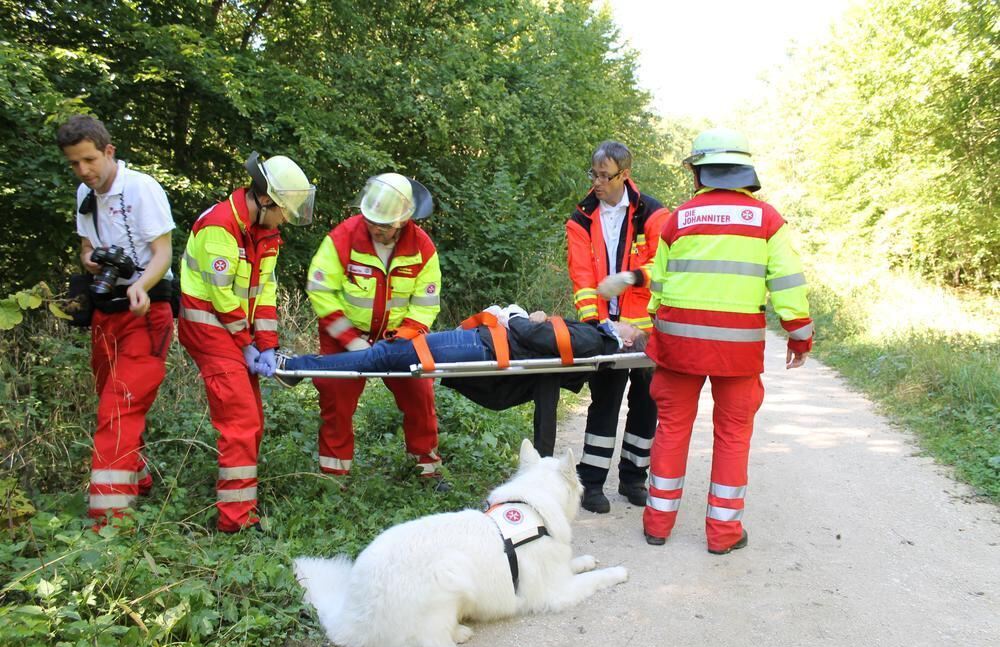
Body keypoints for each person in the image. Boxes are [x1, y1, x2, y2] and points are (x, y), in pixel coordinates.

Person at [643, 127, 813, 554]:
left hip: (678, 346)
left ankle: (657, 526)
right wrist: (799, 336)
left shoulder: (677, 219)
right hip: (737, 351)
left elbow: (658, 286)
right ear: (744, 172)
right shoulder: (768, 220)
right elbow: (789, 283)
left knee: (672, 428)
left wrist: (653, 330)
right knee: (734, 434)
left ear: (699, 173)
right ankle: (723, 536)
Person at [275, 306, 647, 457]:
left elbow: (543, 340)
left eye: (630, 324)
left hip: (481, 346)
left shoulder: (597, 341)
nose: (623, 319)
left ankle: (296, 366)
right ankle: (300, 366)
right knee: (387, 356)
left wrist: (516, 316)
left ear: (627, 340)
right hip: (482, 345)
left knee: (386, 355)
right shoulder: (596, 338)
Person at [178, 151, 315, 532]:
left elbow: (265, 291)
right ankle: (236, 522)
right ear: (266, 200)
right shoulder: (220, 226)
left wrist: (267, 342)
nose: (286, 219)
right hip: (209, 329)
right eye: (284, 211)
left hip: (235, 334)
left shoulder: (265, 232)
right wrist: (246, 343)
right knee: (239, 420)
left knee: (252, 418)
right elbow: (221, 295)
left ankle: (241, 498)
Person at [57, 114, 176, 526]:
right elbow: (87, 248)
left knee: (119, 407)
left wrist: (141, 284)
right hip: (105, 313)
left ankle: (109, 520)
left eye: (89, 160)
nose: (84, 170)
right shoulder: (83, 194)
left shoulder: (142, 189)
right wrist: (90, 260)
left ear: (109, 151)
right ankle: (137, 480)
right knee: (111, 402)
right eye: (74, 163)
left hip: (146, 311)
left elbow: (163, 253)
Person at [305, 173, 444, 484]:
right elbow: (320, 289)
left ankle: (427, 473)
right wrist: (350, 340)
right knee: (336, 405)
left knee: (420, 397)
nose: (376, 229)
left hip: (400, 339)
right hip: (344, 338)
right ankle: (333, 480)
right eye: (371, 221)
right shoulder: (343, 237)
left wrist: (401, 340)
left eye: (384, 224)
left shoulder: (422, 247)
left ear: (404, 219)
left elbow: (425, 303)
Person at [565, 140, 669, 513]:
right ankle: (591, 483)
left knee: (646, 404)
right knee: (604, 402)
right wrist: (599, 326)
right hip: (606, 330)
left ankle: (633, 479)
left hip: (647, 332)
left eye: (604, 175)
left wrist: (631, 277)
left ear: (624, 175)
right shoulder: (581, 218)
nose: (596, 182)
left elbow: (668, 267)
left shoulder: (653, 214)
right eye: (593, 173)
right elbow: (581, 277)